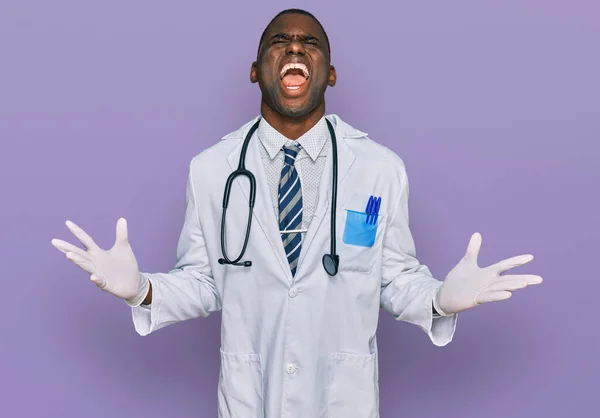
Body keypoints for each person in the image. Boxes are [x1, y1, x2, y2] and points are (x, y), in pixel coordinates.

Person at [51, 8, 543, 418]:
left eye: (310, 43)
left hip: (342, 399)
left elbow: (391, 280)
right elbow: (204, 282)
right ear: (255, 69)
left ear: (329, 72)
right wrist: (142, 290)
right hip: (251, 397)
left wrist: (439, 299)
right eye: (279, 41)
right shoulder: (211, 170)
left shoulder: (378, 168)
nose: (294, 48)